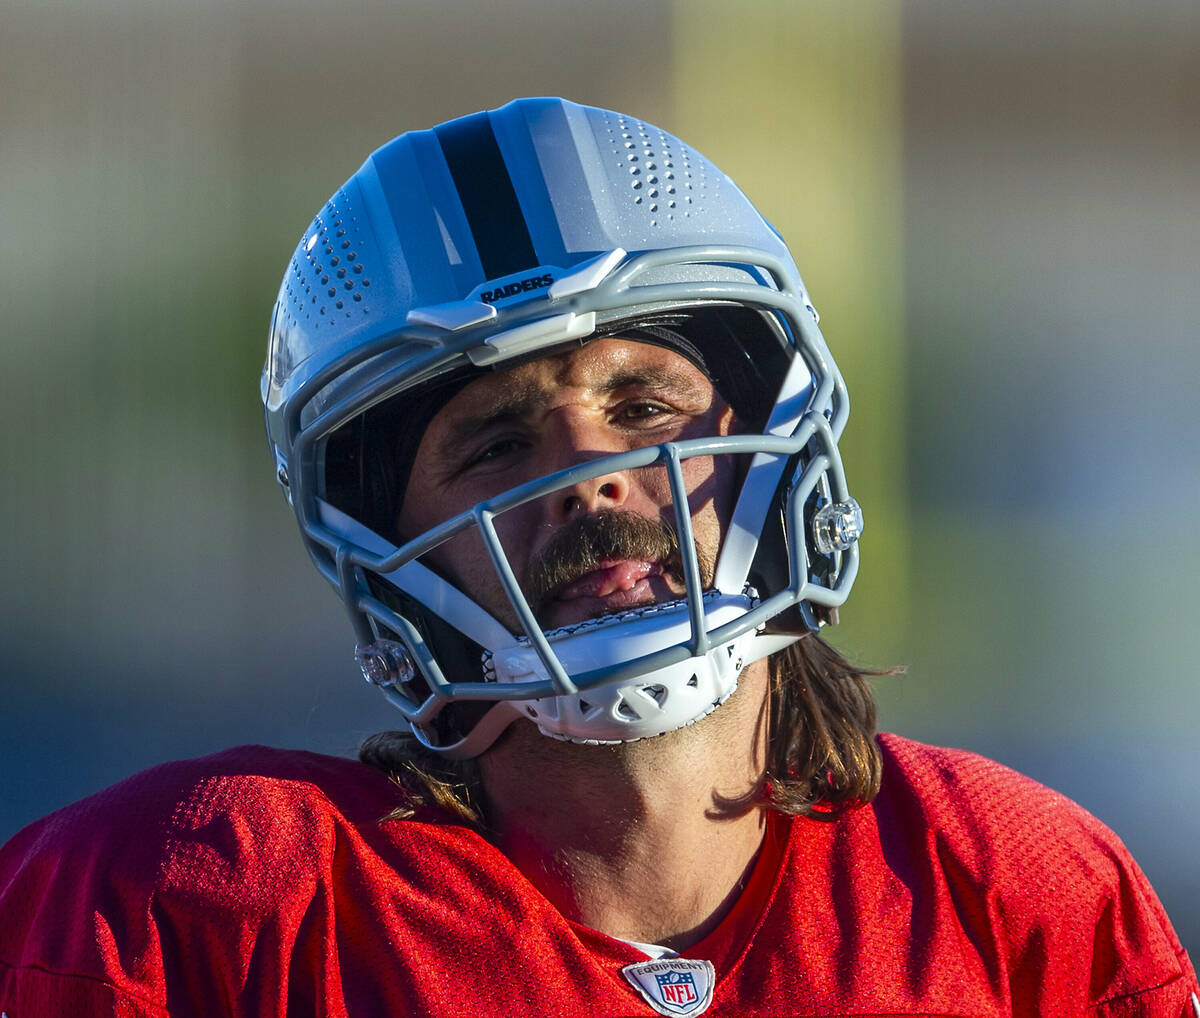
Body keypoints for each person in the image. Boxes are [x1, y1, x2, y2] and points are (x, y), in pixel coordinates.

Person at [0, 98, 1195, 1017]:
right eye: (497, 440)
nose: (591, 476)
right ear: (379, 541)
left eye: (641, 402)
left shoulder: (1014, 889)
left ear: (771, 435)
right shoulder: (198, 906)